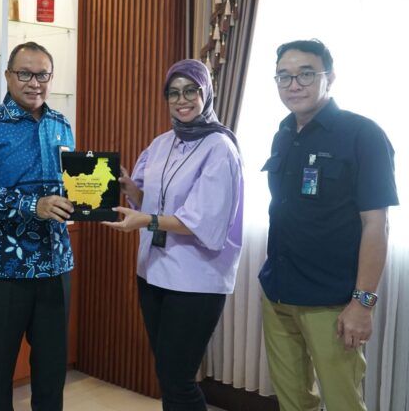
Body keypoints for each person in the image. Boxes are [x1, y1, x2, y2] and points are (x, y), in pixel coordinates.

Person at [259, 39, 398, 411]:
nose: (294, 85)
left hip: (332, 303)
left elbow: (376, 225)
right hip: (278, 293)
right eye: (284, 76)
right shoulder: (283, 134)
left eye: (305, 74)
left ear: (329, 77)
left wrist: (363, 304)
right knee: (292, 402)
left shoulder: (362, 134)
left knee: (342, 403)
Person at [103, 59, 243, 411]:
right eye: (174, 93)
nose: (182, 100)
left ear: (206, 93)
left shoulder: (219, 147)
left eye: (191, 91)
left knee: (178, 379)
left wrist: (146, 220)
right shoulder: (161, 143)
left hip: (195, 279)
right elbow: (150, 201)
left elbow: (204, 221)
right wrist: (129, 187)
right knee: (167, 375)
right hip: (153, 273)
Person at [0, 41, 75, 410]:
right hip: (2, 269)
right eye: (25, 73)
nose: (34, 83)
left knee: (52, 372)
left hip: (55, 265)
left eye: (42, 74)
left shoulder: (61, 125)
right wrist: (33, 206)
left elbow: (71, 186)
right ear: (9, 76)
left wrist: (94, 195)